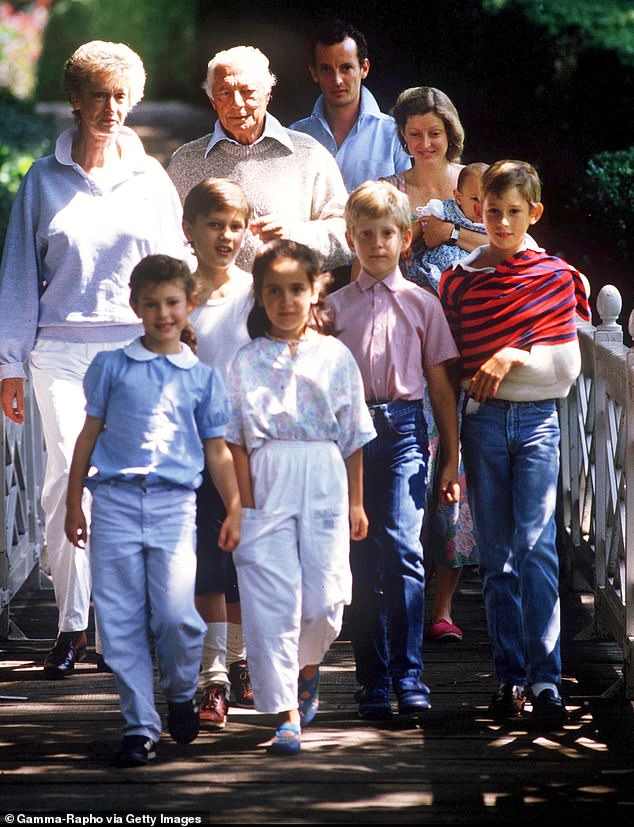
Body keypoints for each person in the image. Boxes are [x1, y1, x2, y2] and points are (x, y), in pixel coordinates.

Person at [0, 40, 186, 678]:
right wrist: (8, 364)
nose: (111, 108)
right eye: (98, 96)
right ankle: (71, 626)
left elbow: (174, 269)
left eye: (121, 96)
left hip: (133, 351)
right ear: (75, 101)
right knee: (64, 483)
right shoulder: (42, 179)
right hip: (58, 355)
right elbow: (20, 277)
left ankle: (117, 629)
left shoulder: (151, 178)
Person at [64, 254, 241, 767]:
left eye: (172, 303)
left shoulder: (201, 378)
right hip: (115, 503)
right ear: (135, 306)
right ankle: (139, 726)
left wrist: (233, 506)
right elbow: (87, 435)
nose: (163, 313)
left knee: (177, 617)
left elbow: (216, 450)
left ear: (189, 306)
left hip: (173, 506)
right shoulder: (110, 367)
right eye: (151, 304)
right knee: (119, 622)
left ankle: (183, 690)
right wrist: (74, 500)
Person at [439, 160, 591, 724]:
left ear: (535, 214)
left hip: (535, 426)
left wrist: (510, 355)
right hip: (480, 425)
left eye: (514, 213)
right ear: (477, 210)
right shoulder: (459, 280)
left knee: (538, 548)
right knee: (498, 558)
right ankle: (508, 678)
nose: (502, 222)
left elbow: (563, 371)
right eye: (493, 211)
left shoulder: (554, 277)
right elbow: (457, 368)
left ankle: (547, 680)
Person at [225, 239, 375, 755]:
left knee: (325, 602)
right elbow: (235, 440)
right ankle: (286, 711)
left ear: (315, 290)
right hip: (266, 476)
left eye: (296, 290)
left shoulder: (335, 356)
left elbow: (354, 434)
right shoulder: (246, 360)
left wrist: (356, 502)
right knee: (271, 604)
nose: (286, 301)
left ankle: (308, 667)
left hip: (324, 474)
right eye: (274, 291)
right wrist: (244, 505)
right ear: (260, 297)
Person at [327, 180, 460, 721]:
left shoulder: (423, 306)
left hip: (406, 430)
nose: (377, 243)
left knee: (404, 550)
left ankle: (409, 674)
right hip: (348, 438)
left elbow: (441, 387)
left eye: (387, 233)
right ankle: (372, 678)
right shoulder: (331, 310)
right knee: (359, 557)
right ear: (350, 238)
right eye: (366, 234)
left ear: (406, 239)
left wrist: (450, 455)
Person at [167, 45, 350, 272]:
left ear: (267, 94)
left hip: (285, 303)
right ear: (213, 101)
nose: (237, 103)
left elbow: (348, 236)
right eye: (224, 93)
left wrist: (296, 235)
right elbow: (165, 239)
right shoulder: (186, 161)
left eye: (247, 92)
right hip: (210, 301)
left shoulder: (308, 155)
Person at [182, 178, 254, 728]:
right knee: (209, 560)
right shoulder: (177, 298)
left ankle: (241, 659)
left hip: (251, 448)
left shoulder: (258, 293)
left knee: (246, 561)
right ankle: (214, 677)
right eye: (214, 225)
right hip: (194, 448)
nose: (226, 237)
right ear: (190, 231)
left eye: (236, 226)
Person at [290, 18, 411, 193]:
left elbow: (408, 210)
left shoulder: (394, 135)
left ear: (364, 69)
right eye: (326, 69)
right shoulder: (296, 136)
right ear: (314, 73)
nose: (337, 80)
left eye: (346, 68)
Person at [384, 86, 484, 292]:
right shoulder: (387, 191)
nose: (425, 143)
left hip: (479, 302)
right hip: (410, 307)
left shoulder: (477, 179)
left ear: (449, 132)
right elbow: (370, 253)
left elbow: (512, 242)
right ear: (403, 134)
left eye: (434, 133)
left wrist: (451, 232)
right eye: (415, 134)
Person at [414, 162, 488, 286]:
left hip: (472, 280)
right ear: (458, 197)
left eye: (488, 200)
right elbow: (423, 223)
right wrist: (405, 244)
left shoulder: (496, 220)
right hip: (437, 270)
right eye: (475, 199)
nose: (481, 207)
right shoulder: (447, 210)